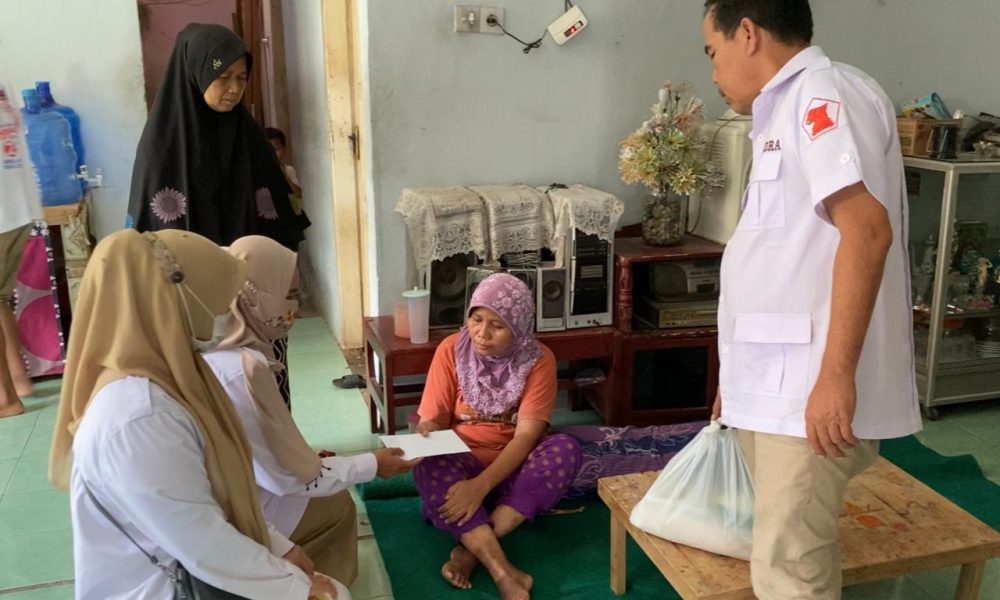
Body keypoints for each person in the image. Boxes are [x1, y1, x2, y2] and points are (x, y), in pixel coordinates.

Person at [701, 1, 921, 598]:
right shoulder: (784, 109)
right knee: (782, 550)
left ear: (748, 34)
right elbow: (785, 262)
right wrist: (739, 379)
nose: (714, 73)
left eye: (713, 53)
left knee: (790, 566)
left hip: (806, 389)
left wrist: (835, 377)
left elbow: (867, 231)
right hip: (777, 383)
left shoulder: (821, 96)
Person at [48, 229, 340, 599]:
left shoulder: (168, 379)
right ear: (176, 303)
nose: (224, 315)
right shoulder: (140, 416)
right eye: (216, 304)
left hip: (190, 566)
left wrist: (278, 547)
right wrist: (298, 588)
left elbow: (211, 494)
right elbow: (203, 542)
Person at [201, 234, 419, 586]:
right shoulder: (243, 370)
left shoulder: (212, 347)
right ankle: (314, 587)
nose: (295, 308)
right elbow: (284, 477)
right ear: (254, 294)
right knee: (335, 504)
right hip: (232, 515)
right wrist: (373, 464)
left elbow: (260, 454)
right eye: (287, 294)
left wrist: (306, 459)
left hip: (228, 497)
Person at [413, 273, 583, 600]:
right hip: (460, 467)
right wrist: (427, 430)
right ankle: (503, 571)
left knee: (566, 449)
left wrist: (480, 486)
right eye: (476, 319)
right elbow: (434, 419)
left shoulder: (538, 360)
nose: (482, 333)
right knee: (427, 463)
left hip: (513, 471)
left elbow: (525, 438)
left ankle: (470, 551)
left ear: (518, 327)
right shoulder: (451, 350)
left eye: (497, 325)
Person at [127, 23, 309, 251]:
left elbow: (278, 215)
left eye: (242, 77)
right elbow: (155, 232)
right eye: (223, 76)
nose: (235, 88)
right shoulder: (161, 148)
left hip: (246, 266)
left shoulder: (249, 136)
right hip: (189, 266)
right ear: (197, 74)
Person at [0, 80, 43, 416]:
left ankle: (6, 398)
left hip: (4, 211)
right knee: (0, 297)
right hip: (19, 206)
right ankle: (18, 379)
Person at [265, 127, 303, 199]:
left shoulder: (288, 170)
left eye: (276, 149)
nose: (272, 154)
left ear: (284, 149)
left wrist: (285, 176)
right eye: (268, 150)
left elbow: (298, 195)